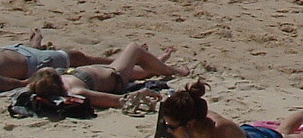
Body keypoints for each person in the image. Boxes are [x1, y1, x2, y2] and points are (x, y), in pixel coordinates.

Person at [159, 80, 303, 138]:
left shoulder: (221, 131)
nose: (167, 129)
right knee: (282, 131)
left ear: (189, 124)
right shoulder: (193, 114)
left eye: (170, 126)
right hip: (249, 132)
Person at [26, 42, 188, 110]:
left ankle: (158, 63)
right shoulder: (76, 91)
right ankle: (174, 71)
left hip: (108, 70)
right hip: (116, 77)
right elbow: (116, 100)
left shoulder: (42, 83)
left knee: (146, 70)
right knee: (134, 49)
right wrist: (141, 93)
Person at [0, 28, 109, 84]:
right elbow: (2, 84)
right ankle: (115, 64)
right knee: (77, 57)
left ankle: (35, 48)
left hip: (11, 50)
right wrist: (26, 83)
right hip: (34, 63)